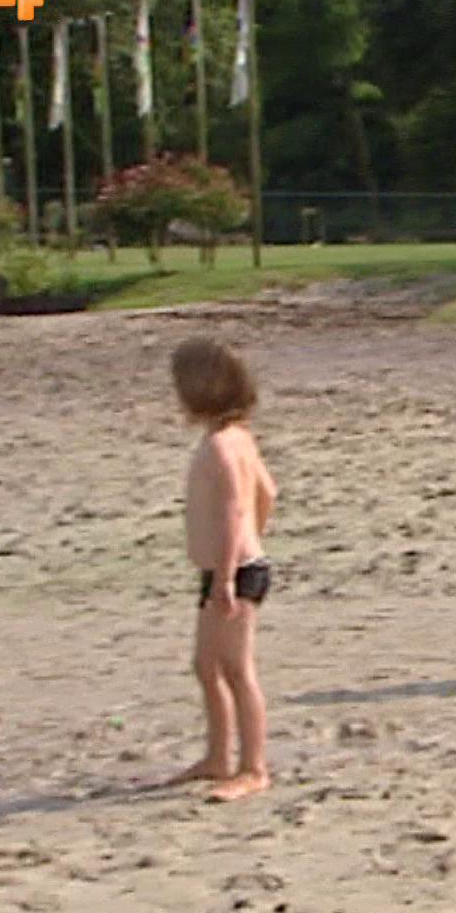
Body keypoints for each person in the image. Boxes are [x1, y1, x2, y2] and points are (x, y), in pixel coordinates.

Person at [166, 337, 278, 802]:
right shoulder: (236, 438)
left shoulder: (220, 446)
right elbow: (268, 492)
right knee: (206, 664)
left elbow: (235, 508)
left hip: (236, 575)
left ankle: (253, 767)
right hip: (223, 572)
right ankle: (217, 756)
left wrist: (230, 571)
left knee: (235, 667)